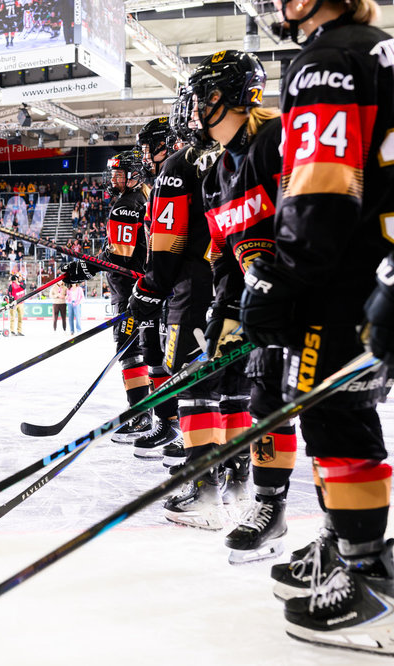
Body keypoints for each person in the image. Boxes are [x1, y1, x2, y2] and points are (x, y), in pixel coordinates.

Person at [242, 0, 394, 650]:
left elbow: (322, 184)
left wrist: (287, 274)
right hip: (376, 265)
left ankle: (368, 583)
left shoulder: (328, 58)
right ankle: (348, 549)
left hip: (345, 273)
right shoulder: (377, 46)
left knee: (334, 413)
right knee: (341, 411)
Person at [177, 51, 295, 558]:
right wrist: (224, 314)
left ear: (227, 97)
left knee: (326, 412)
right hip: (259, 302)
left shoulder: (277, 141)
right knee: (265, 394)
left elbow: (307, 216)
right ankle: (270, 506)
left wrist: (282, 287)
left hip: (303, 294)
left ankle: (345, 534)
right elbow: (224, 257)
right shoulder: (215, 176)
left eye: (201, 98)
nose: (194, 110)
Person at [64, 150, 150, 442]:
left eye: (119, 175)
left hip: (129, 293)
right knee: (146, 352)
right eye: (113, 174)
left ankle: (141, 415)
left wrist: (84, 268)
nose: (114, 180)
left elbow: (118, 258)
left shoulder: (126, 206)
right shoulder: (142, 198)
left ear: (134, 176)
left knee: (130, 352)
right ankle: (154, 414)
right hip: (142, 290)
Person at [126, 116, 185, 460]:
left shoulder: (182, 176)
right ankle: (168, 421)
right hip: (158, 285)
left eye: (149, 149)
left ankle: (194, 432)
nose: (145, 157)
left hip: (179, 287)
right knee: (155, 358)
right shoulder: (157, 187)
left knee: (181, 361)